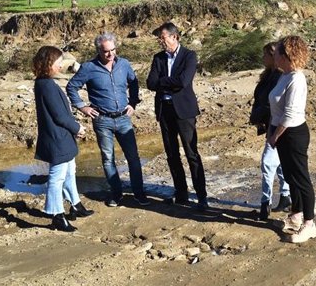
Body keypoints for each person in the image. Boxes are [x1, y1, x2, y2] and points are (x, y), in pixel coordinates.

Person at [66, 32, 149, 207]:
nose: (110, 54)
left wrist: (133, 103)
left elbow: (134, 83)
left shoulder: (124, 64)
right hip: (102, 120)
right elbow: (72, 86)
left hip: (124, 118)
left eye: (113, 50)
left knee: (133, 157)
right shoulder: (88, 67)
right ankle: (116, 194)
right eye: (106, 52)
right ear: (98, 51)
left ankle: (139, 194)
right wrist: (82, 107)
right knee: (108, 158)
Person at [146, 22, 209, 211]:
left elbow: (183, 81)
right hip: (164, 111)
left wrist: (163, 82)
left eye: (162, 37)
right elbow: (150, 83)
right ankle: (181, 193)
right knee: (171, 154)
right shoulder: (158, 58)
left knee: (191, 153)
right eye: (159, 38)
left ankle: (201, 196)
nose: (160, 41)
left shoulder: (189, 56)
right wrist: (168, 83)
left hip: (184, 111)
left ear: (175, 37)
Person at [33, 45, 94, 232]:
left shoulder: (45, 82)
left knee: (69, 171)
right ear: (48, 63)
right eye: (58, 62)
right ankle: (56, 215)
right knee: (57, 177)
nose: (60, 66)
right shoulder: (46, 85)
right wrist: (78, 127)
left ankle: (75, 204)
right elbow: (59, 115)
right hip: (56, 138)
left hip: (60, 136)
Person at [268, 35, 316, 243]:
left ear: (287, 55)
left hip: (292, 134)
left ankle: (309, 224)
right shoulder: (285, 75)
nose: (274, 55)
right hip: (282, 133)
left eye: (278, 52)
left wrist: (274, 136)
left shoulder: (297, 79)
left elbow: (289, 115)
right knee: (290, 176)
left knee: (301, 179)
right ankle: (296, 215)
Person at [250, 42, 291, 221]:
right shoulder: (270, 75)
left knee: (267, 162)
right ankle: (285, 196)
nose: (263, 59)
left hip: (277, 125)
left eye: (266, 55)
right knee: (279, 161)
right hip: (270, 123)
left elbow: (271, 103)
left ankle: (265, 203)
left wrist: (258, 115)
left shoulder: (279, 77)